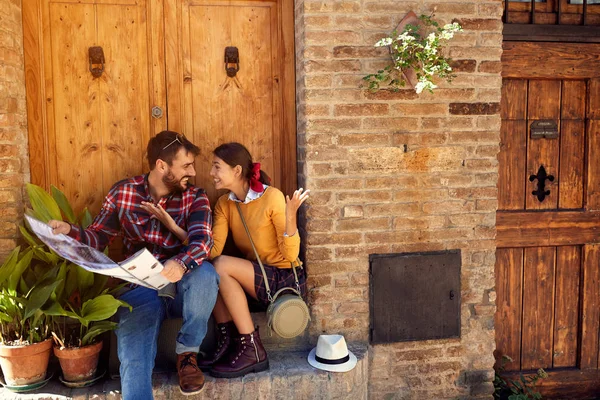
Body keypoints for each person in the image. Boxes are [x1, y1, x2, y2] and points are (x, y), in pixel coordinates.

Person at [48, 131, 219, 399]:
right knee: (134, 358)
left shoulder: (195, 197)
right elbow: (98, 236)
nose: (194, 172)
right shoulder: (123, 192)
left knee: (206, 275)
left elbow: (203, 242)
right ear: (162, 166)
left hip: (182, 283)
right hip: (140, 287)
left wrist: (181, 263)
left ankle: (187, 354)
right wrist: (69, 230)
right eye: (186, 166)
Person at [206, 142, 309, 378]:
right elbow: (213, 251)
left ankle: (252, 348)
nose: (211, 173)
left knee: (221, 266)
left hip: (284, 279)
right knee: (209, 269)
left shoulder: (271, 197)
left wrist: (290, 215)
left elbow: (291, 255)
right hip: (258, 278)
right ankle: (230, 341)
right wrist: (180, 233)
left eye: (216, 167)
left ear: (237, 171)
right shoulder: (224, 204)